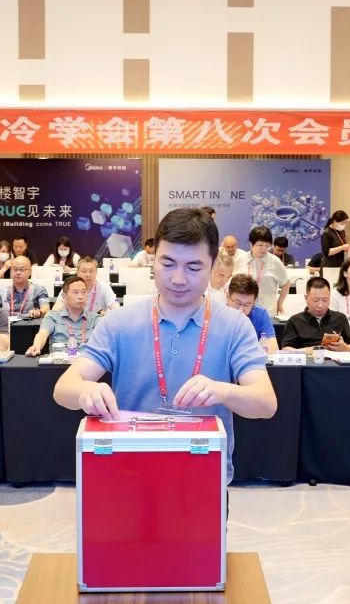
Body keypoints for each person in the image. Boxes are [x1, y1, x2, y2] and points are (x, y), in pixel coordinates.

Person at [53, 207, 277, 487]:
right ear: (153, 261)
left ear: (213, 267)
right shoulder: (119, 322)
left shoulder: (234, 325)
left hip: (203, 478)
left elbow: (265, 403)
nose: (178, 278)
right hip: (128, 475)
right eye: (168, 264)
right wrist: (86, 391)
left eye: (193, 267)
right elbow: (63, 389)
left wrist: (222, 391)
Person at [26, 277, 101, 356]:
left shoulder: (95, 318)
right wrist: (36, 346)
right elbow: (42, 334)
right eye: (76, 293)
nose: (80, 296)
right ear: (64, 297)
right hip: (59, 360)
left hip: (87, 361)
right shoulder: (53, 316)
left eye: (84, 292)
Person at [282, 277, 350, 352]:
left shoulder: (340, 318)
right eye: (315, 300)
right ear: (306, 298)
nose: (320, 305)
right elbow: (286, 349)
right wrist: (312, 350)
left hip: (335, 358)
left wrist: (345, 348)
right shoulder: (294, 321)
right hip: (307, 358)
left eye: (324, 300)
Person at [238, 227, 289, 316]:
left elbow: (286, 283)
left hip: (267, 311)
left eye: (267, 245)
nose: (263, 249)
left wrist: (279, 303)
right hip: (243, 311)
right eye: (260, 245)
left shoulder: (275, 261)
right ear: (251, 244)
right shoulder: (240, 260)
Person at [226, 274, 278, 353]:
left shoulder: (261, 315)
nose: (241, 310)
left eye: (247, 305)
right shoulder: (217, 315)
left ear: (254, 302)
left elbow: (272, 348)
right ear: (227, 297)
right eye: (238, 303)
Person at [55, 256, 119, 314]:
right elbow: (55, 311)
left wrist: (107, 315)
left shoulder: (104, 287)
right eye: (84, 271)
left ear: (96, 272)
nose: (88, 275)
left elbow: (117, 310)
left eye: (91, 271)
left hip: (97, 322)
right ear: (78, 272)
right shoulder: (69, 286)